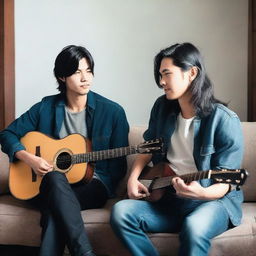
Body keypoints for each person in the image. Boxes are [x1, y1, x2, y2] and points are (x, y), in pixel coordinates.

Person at [110, 42, 244, 256]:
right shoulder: (162, 108)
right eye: (160, 75)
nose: (161, 82)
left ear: (192, 73)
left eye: (167, 74)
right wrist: (133, 179)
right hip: (169, 197)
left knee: (195, 226)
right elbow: (148, 148)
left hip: (213, 201)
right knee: (121, 212)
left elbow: (226, 182)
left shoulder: (224, 120)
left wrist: (201, 193)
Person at [0, 45, 129, 256]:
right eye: (77, 72)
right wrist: (29, 158)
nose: (85, 78)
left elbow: (117, 168)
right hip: (41, 185)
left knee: (55, 206)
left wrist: (83, 173)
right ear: (61, 76)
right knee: (55, 180)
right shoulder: (45, 107)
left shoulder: (113, 112)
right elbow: (7, 134)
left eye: (89, 71)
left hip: (94, 185)